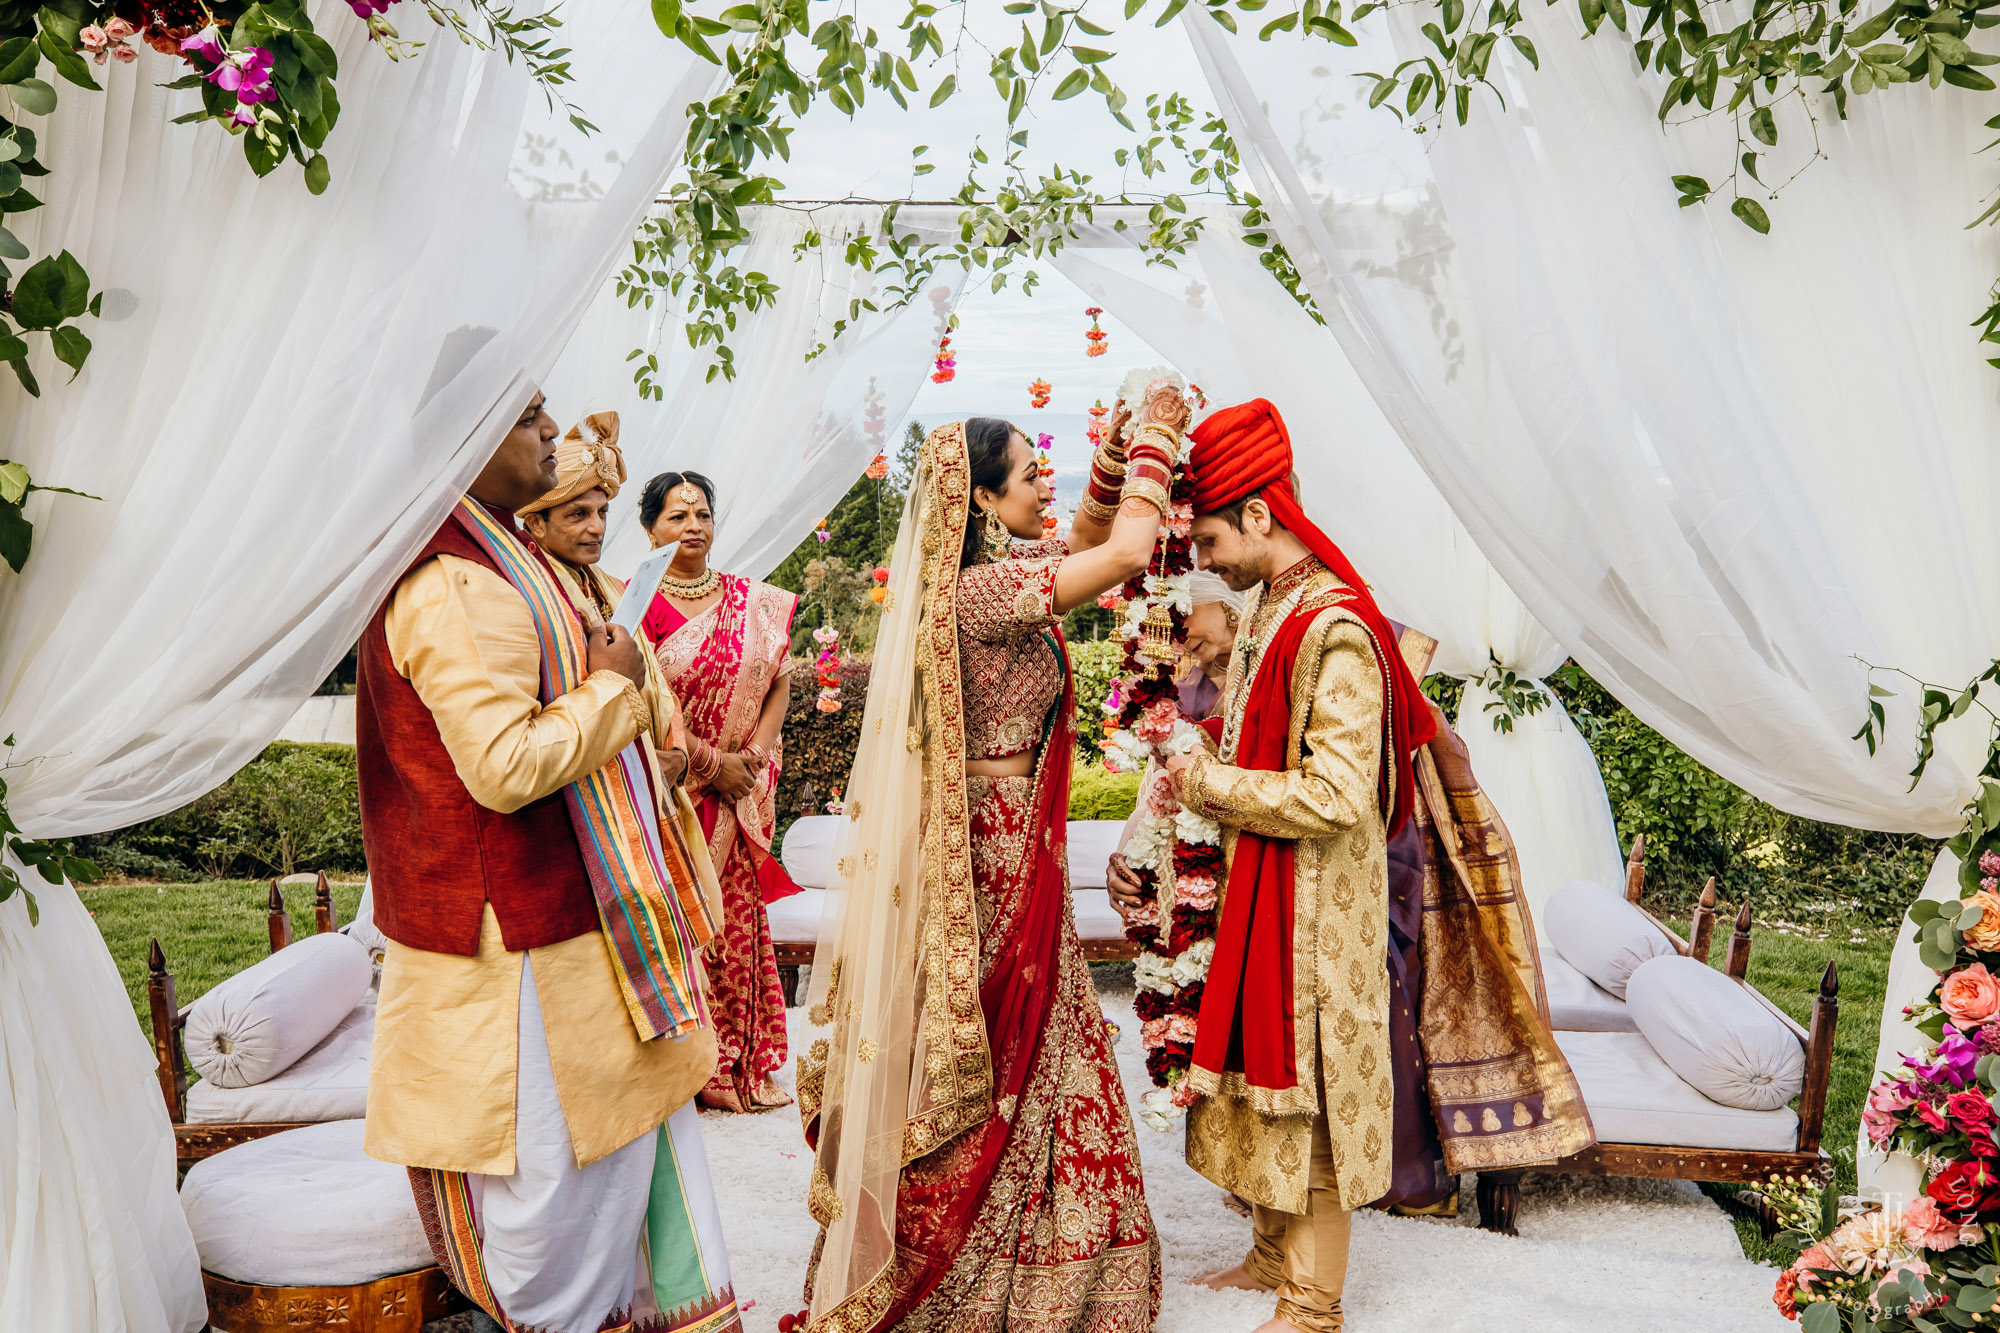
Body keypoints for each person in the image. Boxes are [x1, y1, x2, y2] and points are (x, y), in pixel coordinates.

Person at [1157, 399, 1591, 1333]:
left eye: (1212, 538)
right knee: (1249, 1080)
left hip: (1316, 909)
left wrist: (1207, 785)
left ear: (1262, 516)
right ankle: (1272, 1253)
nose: (1205, 560)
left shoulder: (1335, 630)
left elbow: (1338, 794)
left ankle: (1314, 1304)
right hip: (1264, 892)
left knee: (1301, 1090)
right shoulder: (1272, 608)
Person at [795, 384, 1190, 1333]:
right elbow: (1129, 549)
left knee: (1040, 1038)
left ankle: (1045, 1249)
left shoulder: (991, 580)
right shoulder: (984, 595)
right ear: (978, 499)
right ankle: (975, 1265)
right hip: (995, 853)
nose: (1042, 487)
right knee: (1005, 1045)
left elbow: (1095, 528)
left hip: (1010, 841)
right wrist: (1159, 442)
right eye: (1026, 475)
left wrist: (1112, 454)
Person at [357, 389, 740, 1333]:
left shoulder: (515, 560)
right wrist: (613, 687)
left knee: (612, 1183)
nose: (549, 431)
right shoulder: (454, 581)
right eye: (528, 415)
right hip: (522, 948)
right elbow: (505, 765)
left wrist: (625, 685)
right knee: (556, 1215)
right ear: (469, 432)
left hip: (572, 927)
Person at [636, 469, 801, 1113]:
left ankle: (735, 1062)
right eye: (676, 517)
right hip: (668, 795)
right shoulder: (632, 602)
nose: (692, 527)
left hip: (736, 794)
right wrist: (710, 765)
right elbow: (635, 705)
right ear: (650, 527)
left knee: (731, 926)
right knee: (677, 928)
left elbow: (779, 678)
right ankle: (683, 1069)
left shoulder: (751, 601)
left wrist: (751, 759)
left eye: (701, 514)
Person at [1106, 569, 1242, 900]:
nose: (1178, 633)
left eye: (1183, 614)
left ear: (1227, 604)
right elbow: (1158, 792)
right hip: (1186, 877)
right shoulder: (1180, 693)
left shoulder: (1271, 675)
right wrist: (1123, 861)